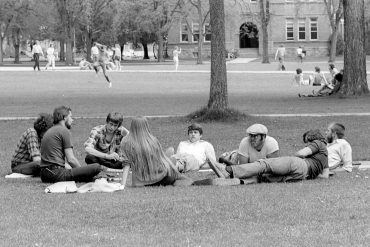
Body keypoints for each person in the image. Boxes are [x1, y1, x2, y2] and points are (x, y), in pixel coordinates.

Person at [208, 129, 328, 185]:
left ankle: (228, 171)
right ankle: (234, 182)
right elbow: (324, 176)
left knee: (265, 164)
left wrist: (299, 159)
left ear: (313, 138)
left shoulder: (319, 143)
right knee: (264, 178)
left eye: (307, 141)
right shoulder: (325, 157)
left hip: (299, 164)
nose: (307, 144)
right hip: (302, 176)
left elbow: (301, 153)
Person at [119, 117, 192, 187]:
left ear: (132, 126)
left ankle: (170, 157)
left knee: (171, 159)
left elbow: (126, 164)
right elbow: (161, 161)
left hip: (141, 182)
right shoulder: (153, 140)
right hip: (163, 177)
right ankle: (170, 157)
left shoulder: (125, 142)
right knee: (171, 161)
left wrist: (122, 184)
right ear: (146, 126)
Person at [39, 106, 103, 183]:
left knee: (84, 170)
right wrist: (84, 172)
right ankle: (88, 178)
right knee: (96, 167)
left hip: (44, 175)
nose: (72, 120)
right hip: (55, 173)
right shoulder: (63, 131)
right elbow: (71, 159)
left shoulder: (50, 131)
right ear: (64, 117)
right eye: (71, 117)